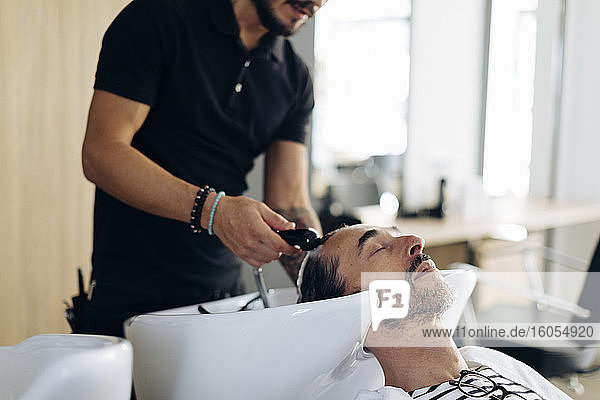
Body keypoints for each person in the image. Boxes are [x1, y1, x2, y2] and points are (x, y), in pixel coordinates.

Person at [81, 0, 326, 338]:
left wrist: (333, 282)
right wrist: (214, 212)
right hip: (130, 297)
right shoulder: (157, 18)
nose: (318, 1)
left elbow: (290, 202)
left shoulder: (295, 79)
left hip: (223, 302)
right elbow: (102, 152)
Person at [298, 225, 573, 400]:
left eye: (397, 232)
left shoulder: (489, 362)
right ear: (351, 306)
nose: (416, 240)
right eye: (379, 249)